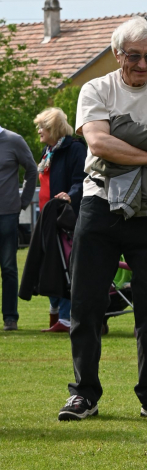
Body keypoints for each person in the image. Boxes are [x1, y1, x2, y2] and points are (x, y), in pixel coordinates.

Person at [59, 16, 147, 421]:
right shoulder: (96, 88)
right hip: (100, 206)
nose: (142, 66)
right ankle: (83, 393)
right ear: (116, 54)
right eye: (134, 56)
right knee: (86, 305)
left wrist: (129, 139)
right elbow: (100, 143)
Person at [33, 107, 86, 332]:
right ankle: (55, 314)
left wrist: (69, 195)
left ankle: (65, 318)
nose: (38, 131)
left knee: (65, 266)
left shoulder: (74, 149)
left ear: (53, 127)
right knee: (49, 265)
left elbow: (82, 180)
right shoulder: (49, 150)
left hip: (65, 218)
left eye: (42, 126)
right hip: (47, 218)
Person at [0, 122, 37, 331]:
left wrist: (23, 201)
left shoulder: (14, 140)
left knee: (8, 267)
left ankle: (10, 318)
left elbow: (32, 170)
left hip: (7, 213)